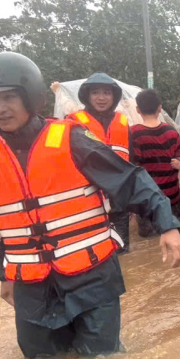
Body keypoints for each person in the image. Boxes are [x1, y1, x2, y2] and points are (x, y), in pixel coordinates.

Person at [0, 52, 180, 359]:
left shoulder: (72, 138)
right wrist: (4, 273)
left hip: (91, 278)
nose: (0, 109)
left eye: (9, 97)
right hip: (32, 288)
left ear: (31, 97)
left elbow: (130, 180)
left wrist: (167, 224)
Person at [52, 74, 133, 252]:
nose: (101, 98)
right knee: (94, 251)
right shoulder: (72, 121)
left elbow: (131, 161)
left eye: (106, 93)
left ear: (114, 96)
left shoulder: (123, 121)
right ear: (87, 95)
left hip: (119, 198)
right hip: (88, 201)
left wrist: (133, 199)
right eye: (96, 92)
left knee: (122, 251)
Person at [130, 89, 180, 237]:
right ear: (160, 108)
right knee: (174, 235)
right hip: (172, 198)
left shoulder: (133, 133)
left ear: (138, 110)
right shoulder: (171, 132)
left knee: (149, 242)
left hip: (147, 199)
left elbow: (133, 168)